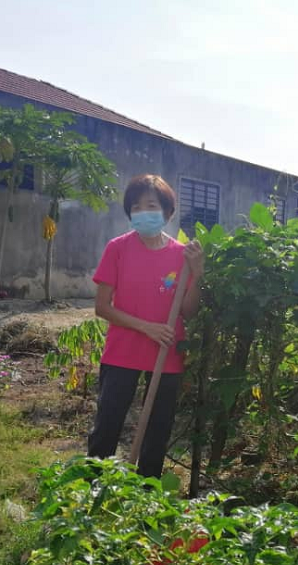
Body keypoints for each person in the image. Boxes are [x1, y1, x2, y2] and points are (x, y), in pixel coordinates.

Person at [87, 174, 204, 478]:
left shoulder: (182, 255)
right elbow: (102, 307)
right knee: (107, 424)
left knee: (158, 431)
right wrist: (147, 327)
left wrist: (198, 274)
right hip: (122, 352)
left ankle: (146, 496)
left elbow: (188, 312)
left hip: (167, 353)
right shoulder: (118, 248)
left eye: (151, 204)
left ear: (167, 211)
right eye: (136, 206)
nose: (143, 211)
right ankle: (91, 490)